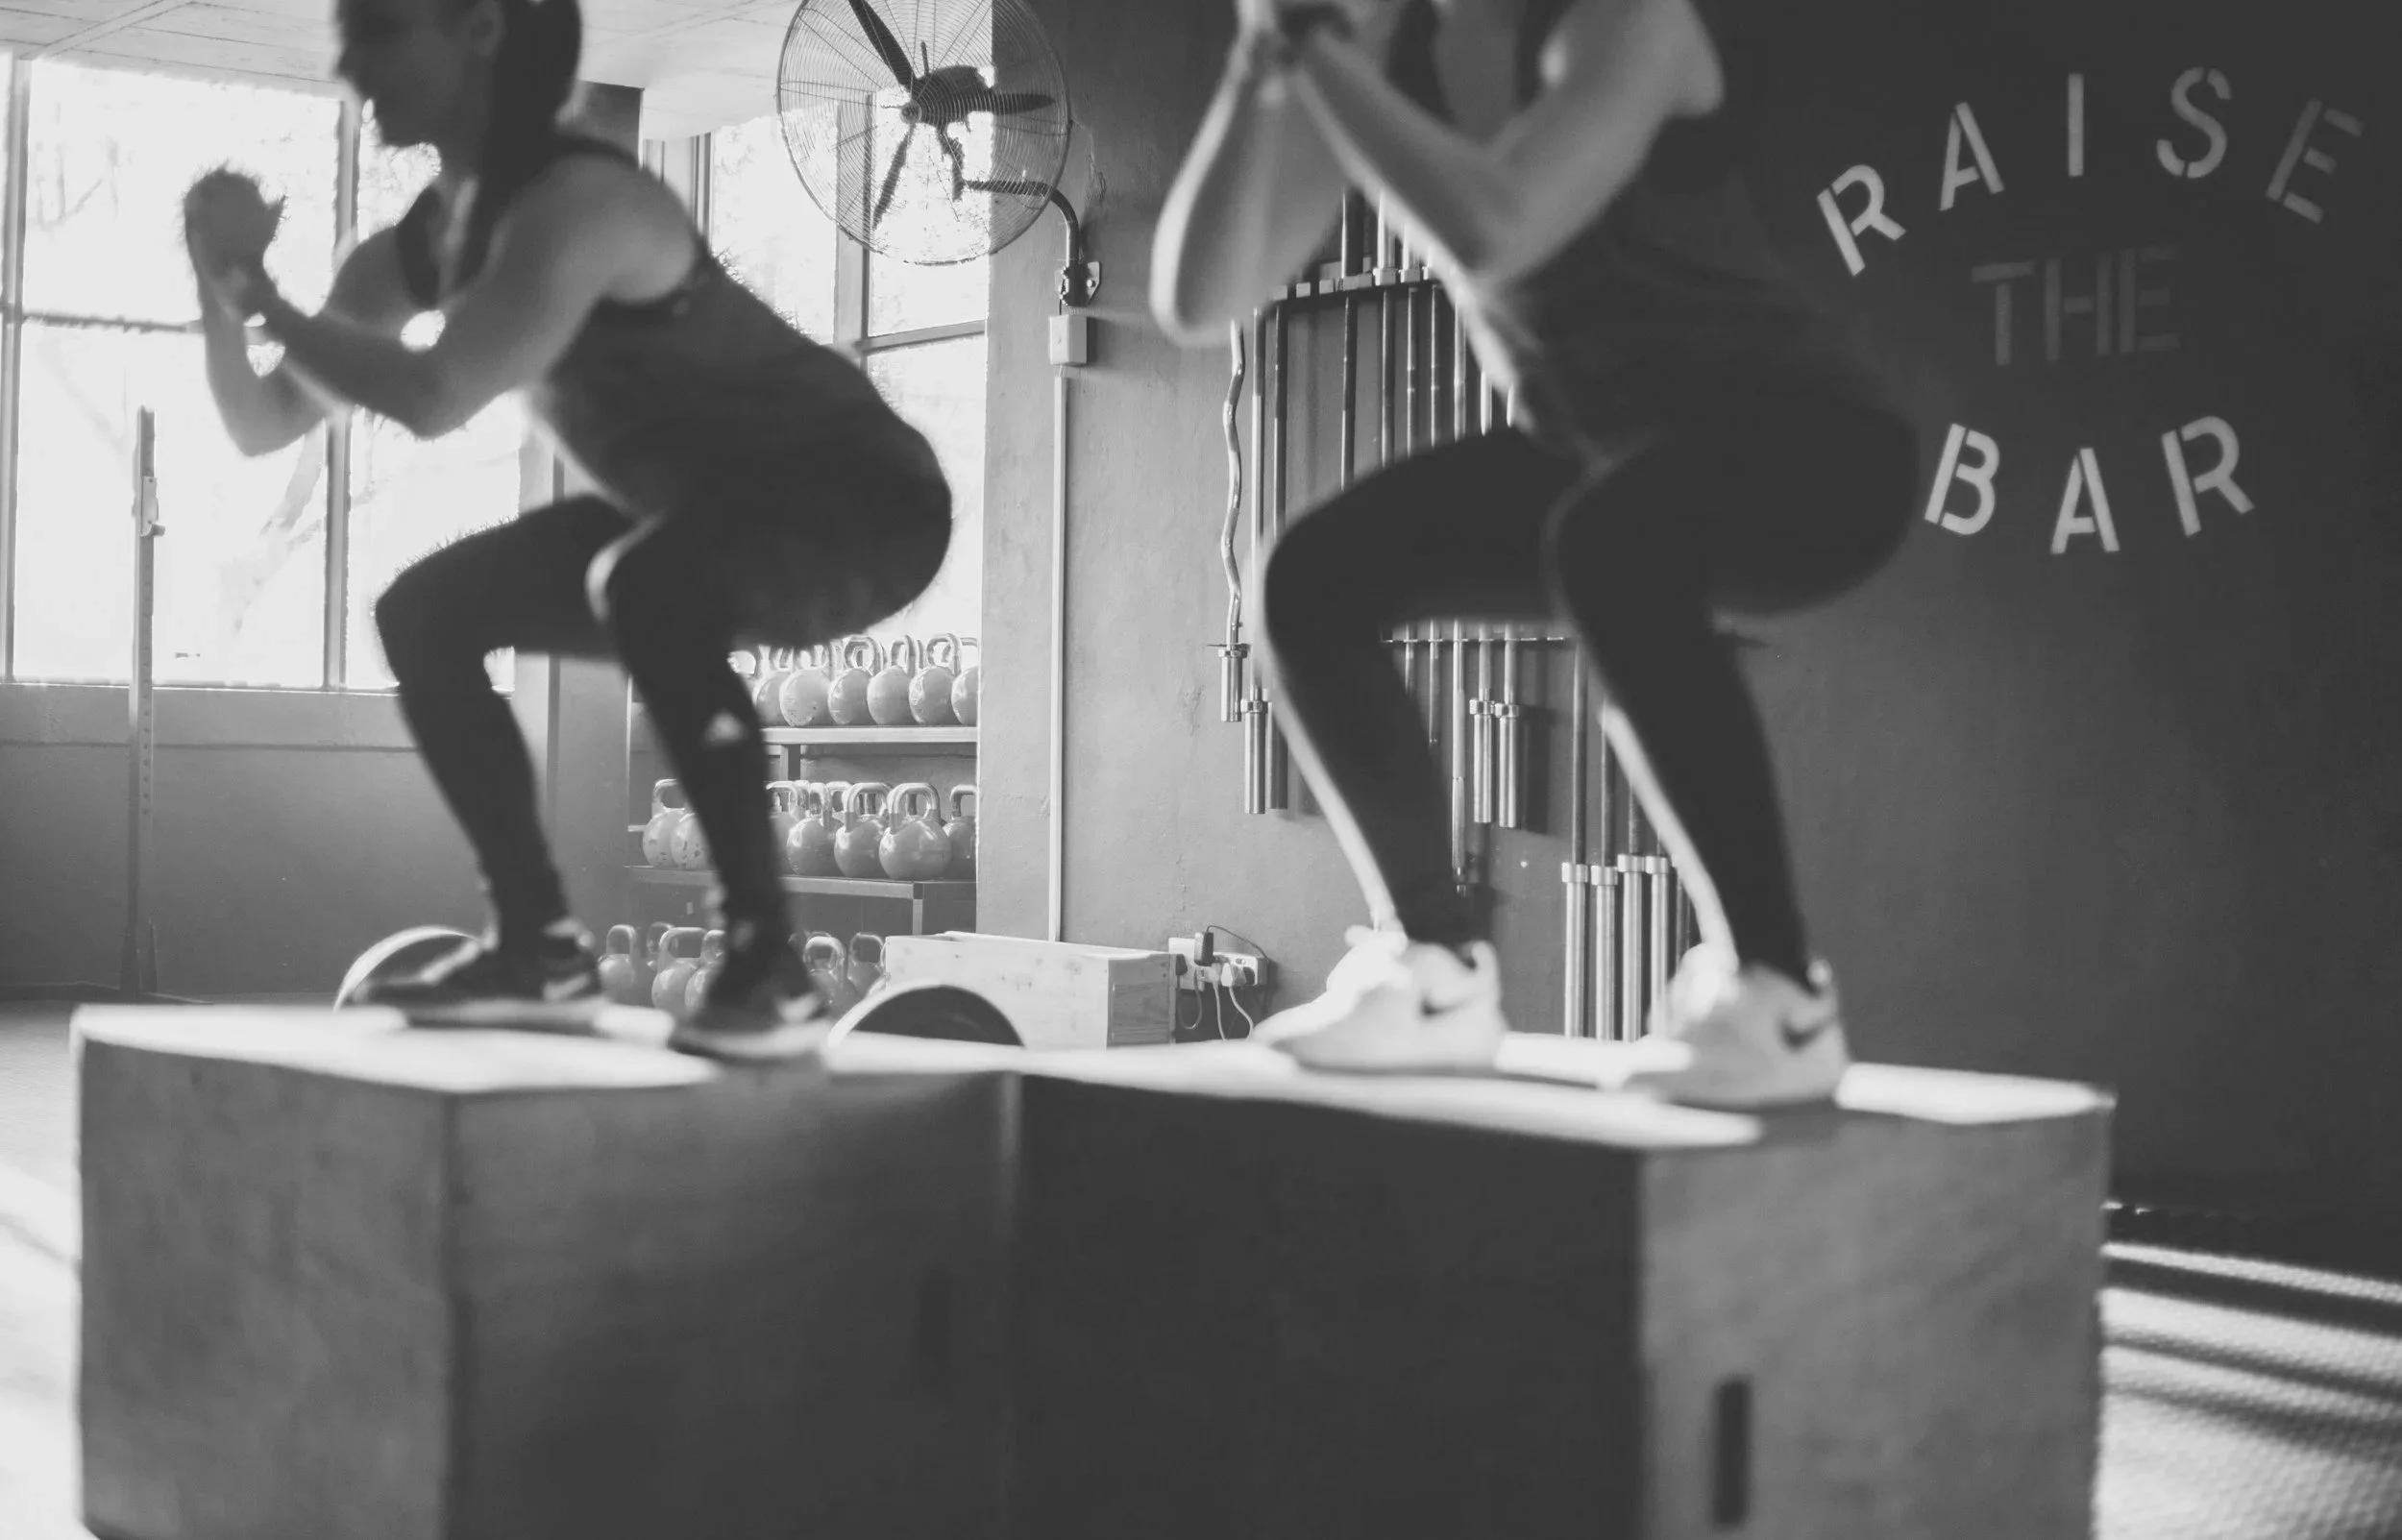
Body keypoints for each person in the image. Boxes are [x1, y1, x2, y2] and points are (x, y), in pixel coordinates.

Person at [1152, 0, 1917, 1107]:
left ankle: (1781, 996)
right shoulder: (1384, 59)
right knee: (1312, 578)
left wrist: (1316, 47)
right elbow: (1197, 298)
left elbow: (1495, 225)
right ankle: (1435, 971)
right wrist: (1257, 62)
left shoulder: (1622, 24)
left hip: (1815, 447)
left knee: (1612, 543)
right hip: (1598, 455)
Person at [182, 0, 952, 1059]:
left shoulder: (586, 202)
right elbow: (263, 422)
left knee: (647, 584)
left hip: (861, 501)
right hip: (695, 517)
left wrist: (260, 288)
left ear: (481, 29)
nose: (351, 67)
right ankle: (539, 946)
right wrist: (221, 292)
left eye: (382, 32)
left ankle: (770, 966)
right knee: (426, 612)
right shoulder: (415, 250)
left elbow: (431, 392)